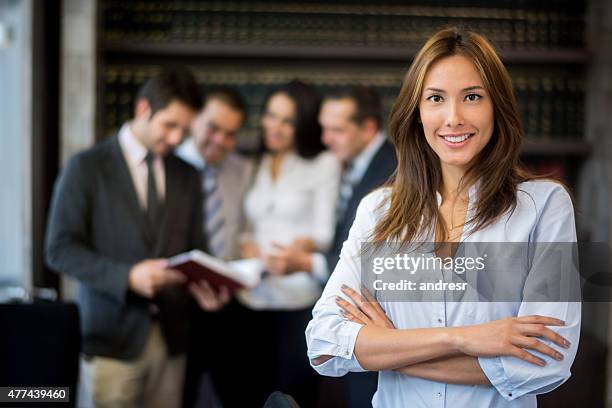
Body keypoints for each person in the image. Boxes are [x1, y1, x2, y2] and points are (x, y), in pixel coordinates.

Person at [305, 28, 581, 407]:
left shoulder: (544, 206)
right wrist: (464, 338)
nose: (453, 117)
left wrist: (390, 346)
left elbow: (545, 363)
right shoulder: (379, 210)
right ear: (417, 113)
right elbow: (323, 343)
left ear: (496, 106)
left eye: (472, 97)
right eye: (435, 98)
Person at [45, 67, 225, 408]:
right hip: (112, 337)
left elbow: (196, 248)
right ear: (143, 109)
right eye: (169, 126)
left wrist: (208, 286)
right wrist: (127, 277)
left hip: (173, 338)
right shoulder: (87, 167)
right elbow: (59, 248)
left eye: (184, 131)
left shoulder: (187, 174)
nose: (176, 139)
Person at [265, 85, 397, 407]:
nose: (326, 139)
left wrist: (307, 263)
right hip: (358, 334)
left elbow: (376, 261)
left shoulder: (392, 170)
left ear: (367, 128)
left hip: (379, 328)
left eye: (336, 130)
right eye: (323, 128)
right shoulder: (356, 166)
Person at [215, 80, 340, 407]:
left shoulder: (322, 164)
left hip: (296, 301)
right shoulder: (253, 163)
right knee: (247, 393)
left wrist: (304, 244)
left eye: (287, 121)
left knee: (292, 398)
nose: (276, 127)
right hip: (251, 297)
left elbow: (327, 232)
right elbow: (246, 224)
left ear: (302, 126)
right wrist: (246, 244)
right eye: (271, 116)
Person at [175, 88, 251, 407]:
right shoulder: (169, 165)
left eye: (230, 134)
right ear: (195, 120)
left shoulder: (242, 169)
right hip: (178, 306)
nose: (219, 140)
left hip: (229, 303)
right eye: (213, 128)